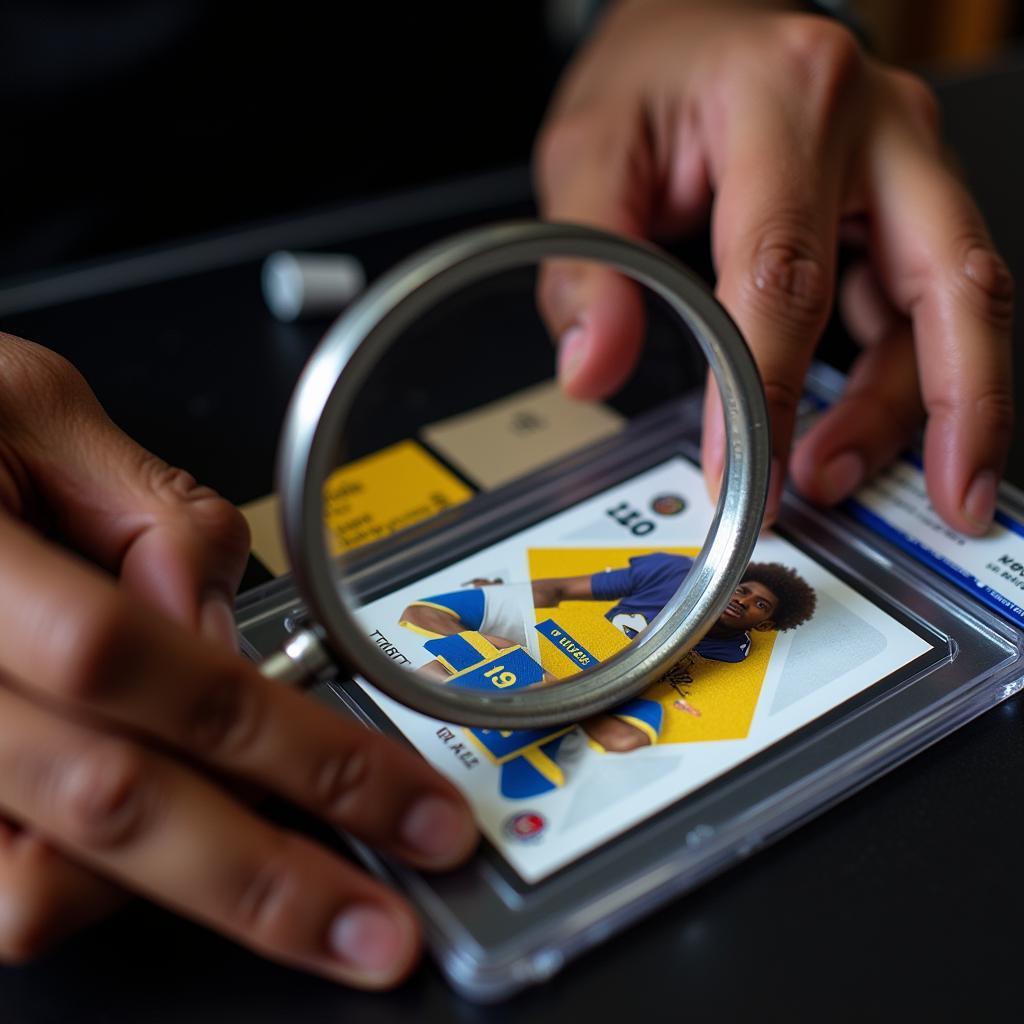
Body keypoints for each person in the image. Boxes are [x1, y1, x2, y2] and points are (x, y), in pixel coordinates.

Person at [0, 0, 1012, 994]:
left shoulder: (696, 619)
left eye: (745, 605)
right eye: (744, 597)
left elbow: (607, 690)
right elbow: (517, 614)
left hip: (502, 168)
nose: (739, 601)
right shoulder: (651, 581)